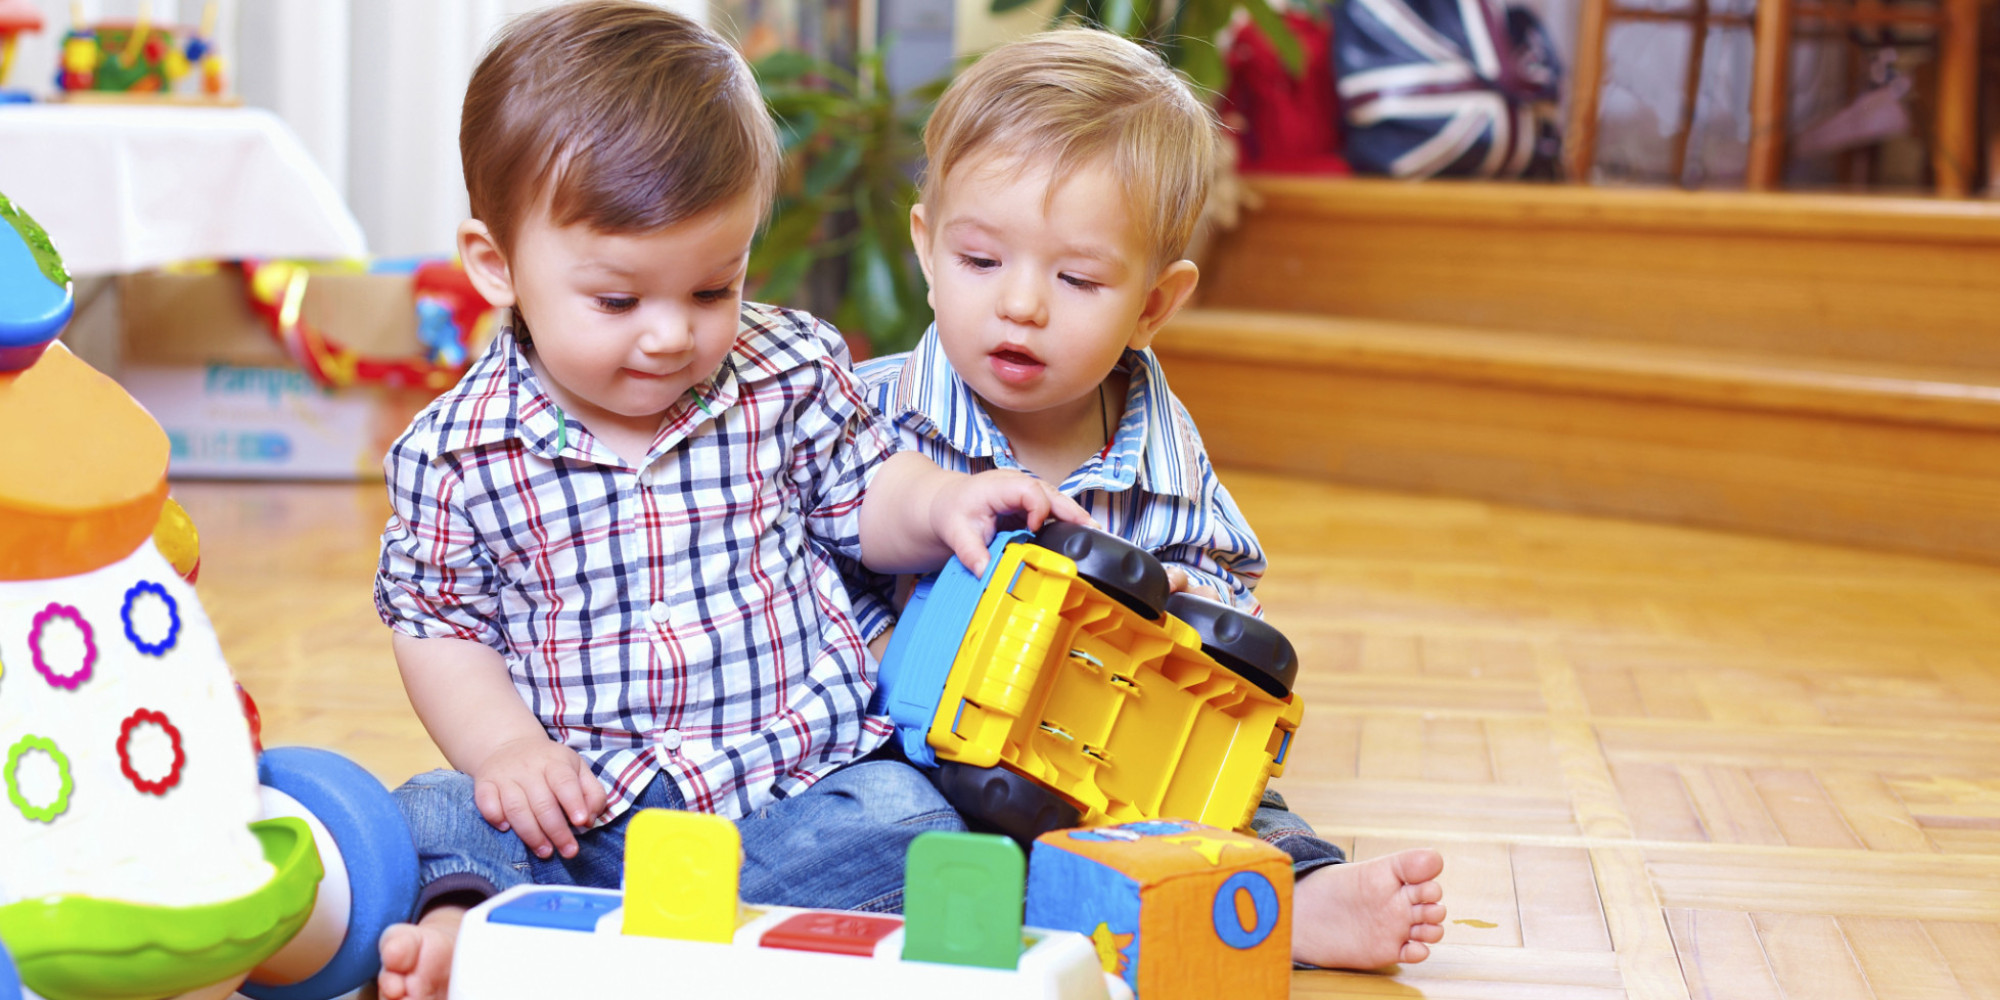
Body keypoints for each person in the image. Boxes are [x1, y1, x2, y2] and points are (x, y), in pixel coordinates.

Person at [369, 5, 1087, 997]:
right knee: (436, 808)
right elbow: (439, 623)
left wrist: (944, 504)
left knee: (908, 812)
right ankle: (491, 923)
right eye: (618, 300)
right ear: (496, 266)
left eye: (712, 289)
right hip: (582, 822)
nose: (670, 335)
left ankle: (621, 951)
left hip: (787, 800)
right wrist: (507, 749)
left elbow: (866, 492)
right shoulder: (455, 451)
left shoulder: (782, 368)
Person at [852, 27, 1447, 970]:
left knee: (1240, 809)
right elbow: (804, 572)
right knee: (877, 819)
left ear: (1154, 305)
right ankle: (1010, 904)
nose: (1022, 305)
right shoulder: (863, 414)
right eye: (979, 262)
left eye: (1078, 278)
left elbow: (1227, 597)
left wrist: (1167, 619)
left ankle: (1294, 899)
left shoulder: (1163, 449)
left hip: (1113, 768)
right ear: (926, 248)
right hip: (923, 756)